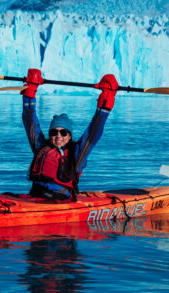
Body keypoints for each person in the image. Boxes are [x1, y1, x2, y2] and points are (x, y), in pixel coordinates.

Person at [21, 68, 118, 200]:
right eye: (54, 132)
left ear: (70, 136)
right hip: (35, 198)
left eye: (64, 132)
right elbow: (30, 123)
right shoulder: (41, 147)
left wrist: (105, 104)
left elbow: (93, 133)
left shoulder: (76, 154)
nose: (58, 136)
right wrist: (30, 93)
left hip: (61, 203)